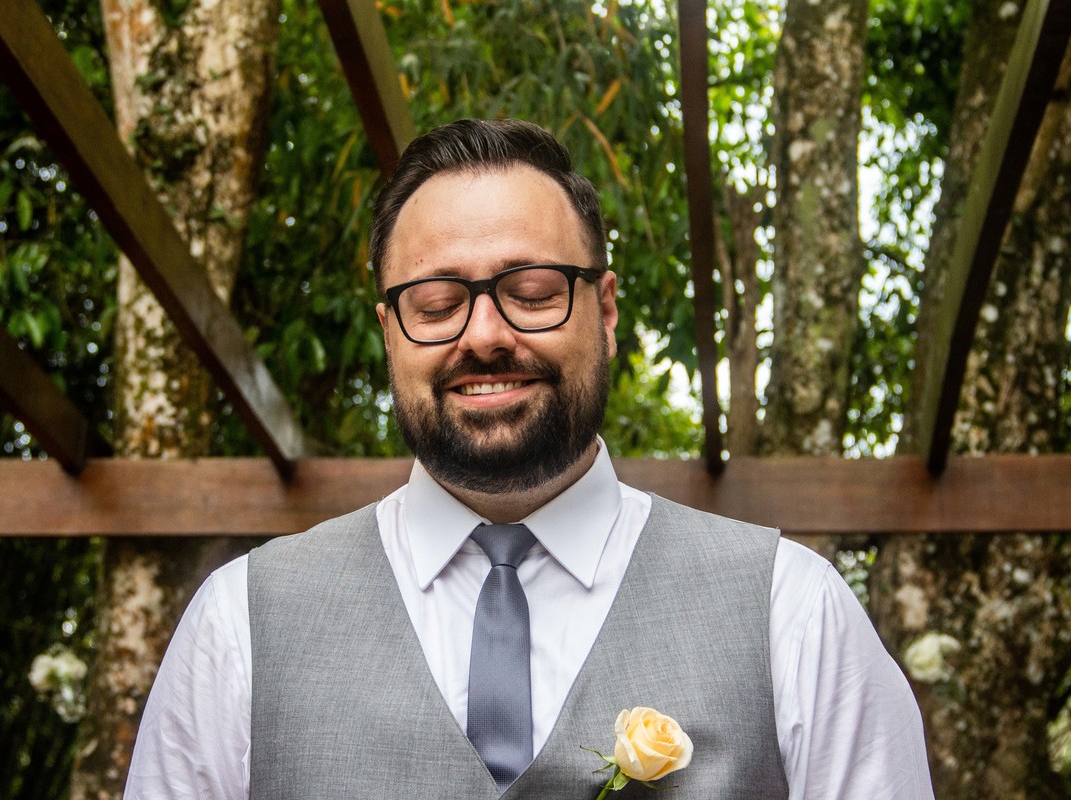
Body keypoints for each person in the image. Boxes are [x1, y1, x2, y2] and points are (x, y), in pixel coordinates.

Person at [123, 119, 934, 800]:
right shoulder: (239, 626)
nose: (484, 336)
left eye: (534, 292)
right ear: (389, 332)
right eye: (435, 303)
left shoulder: (793, 611)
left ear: (605, 310)